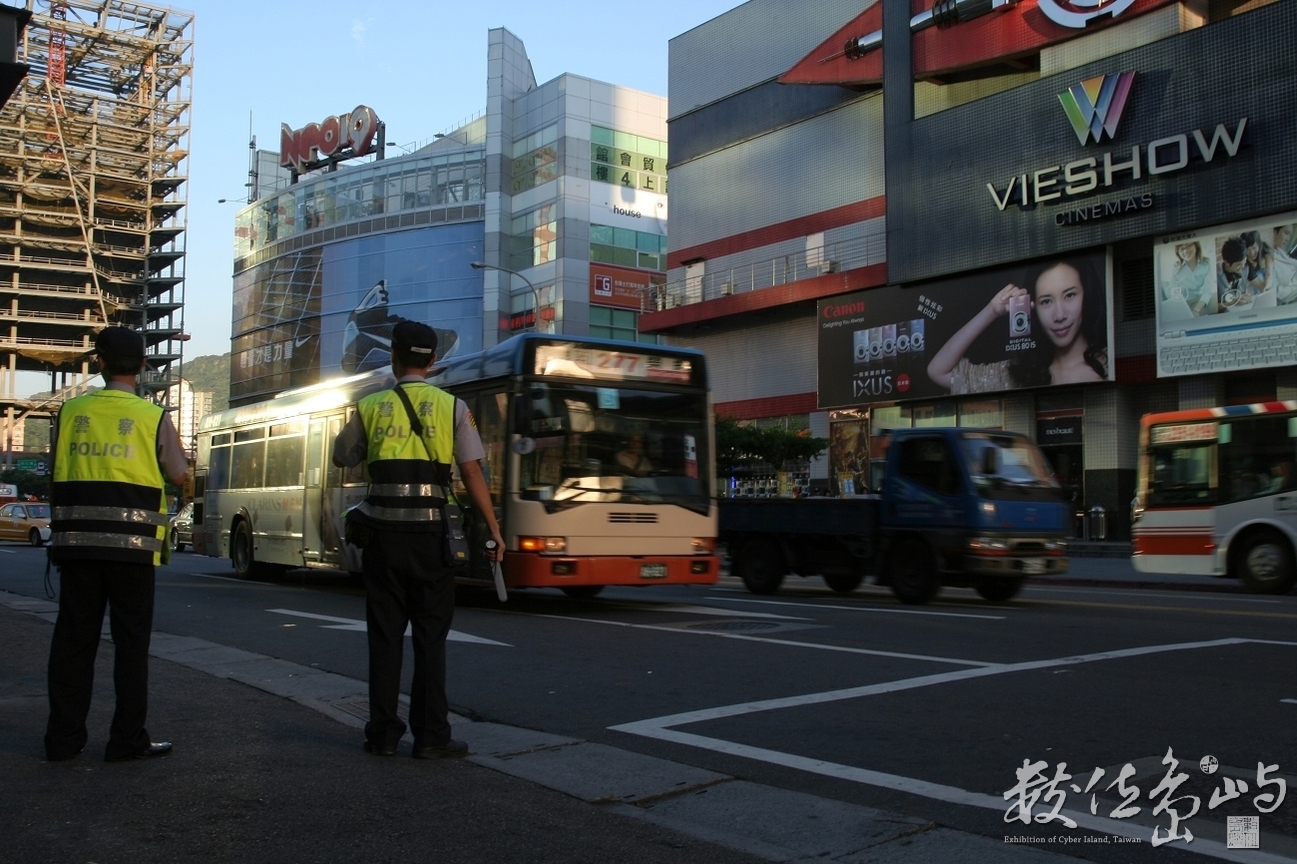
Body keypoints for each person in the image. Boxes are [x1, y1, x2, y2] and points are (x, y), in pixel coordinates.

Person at [332, 320, 504, 760]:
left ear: (392, 355)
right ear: (432, 360)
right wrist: (495, 531)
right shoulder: (452, 407)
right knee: (430, 638)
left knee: (385, 638)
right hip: (432, 540)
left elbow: (341, 456)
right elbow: (470, 472)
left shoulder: (370, 406)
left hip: (383, 539)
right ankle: (431, 737)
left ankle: (383, 734)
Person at [44, 326, 189, 763]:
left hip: (78, 546)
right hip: (133, 551)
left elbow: (55, 466)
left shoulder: (71, 412)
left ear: (99, 363)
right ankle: (126, 740)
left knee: (73, 643)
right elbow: (179, 473)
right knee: (130, 646)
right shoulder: (151, 416)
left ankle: (63, 741)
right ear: (143, 366)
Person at [927, 258, 1108, 394]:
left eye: (1069, 296)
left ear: (1087, 295)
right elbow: (938, 371)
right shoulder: (1019, 375)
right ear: (1032, 307)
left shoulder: (1109, 364)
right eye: (1046, 301)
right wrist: (992, 311)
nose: (1059, 315)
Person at [1163, 241, 1214, 316]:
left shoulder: (1206, 263)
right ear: (1178, 252)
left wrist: (1196, 310)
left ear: (1196, 246)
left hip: (1200, 300)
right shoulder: (1176, 267)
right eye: (1182, 249)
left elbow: (1208, 290)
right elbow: (1173, 291)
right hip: (1183, 302)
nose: (1185, 251)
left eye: (1189, 245)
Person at [1216, 237, 1249, 310]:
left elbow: (1243, 293)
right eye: (1239, 264)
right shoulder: (1215, 277)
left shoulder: (1245, 269)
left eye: (1244, 262)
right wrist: (1233, 302)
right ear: (1227, 263)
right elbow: (1211, 308)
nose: (1242, 267)